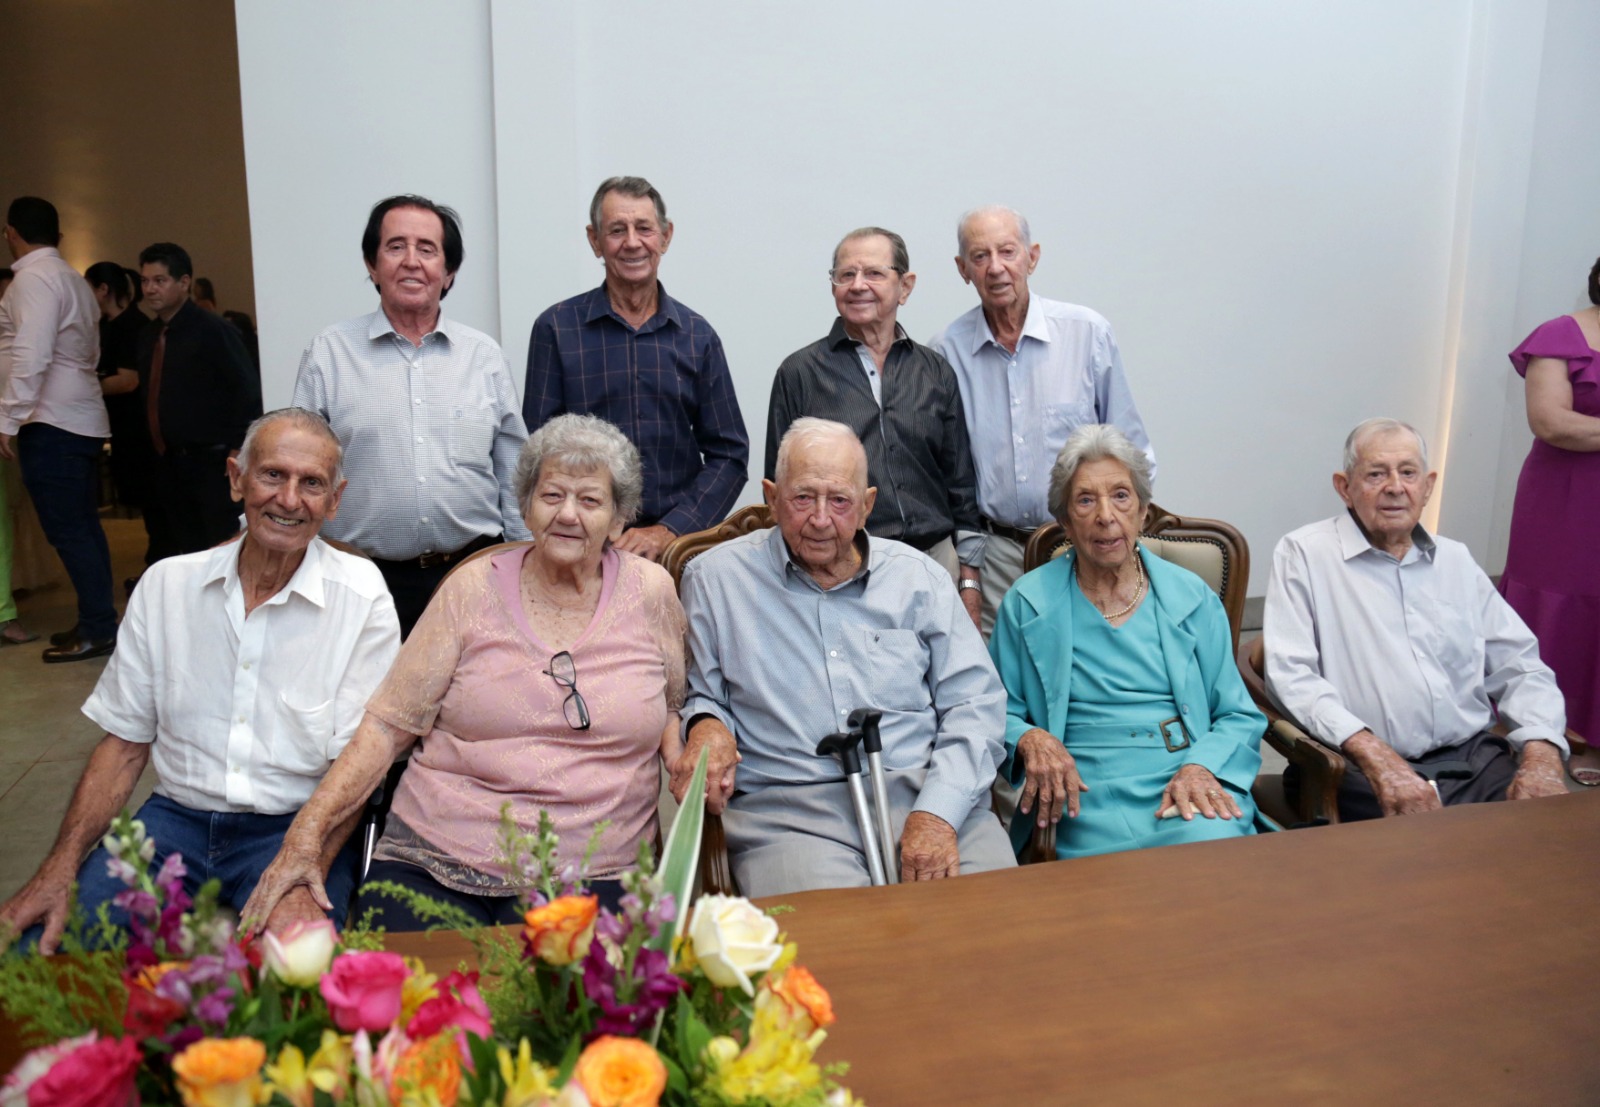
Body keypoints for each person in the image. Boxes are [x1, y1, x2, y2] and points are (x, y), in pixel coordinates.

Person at [241, 414, 686, 932]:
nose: (568, 514)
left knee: (576, 1007)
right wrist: (305, 838)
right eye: (551, 496)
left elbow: (674, 707)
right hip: (438, 855)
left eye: (589, 500)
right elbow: (386, 728)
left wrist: (692, 755)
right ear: (525, 507)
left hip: (594, 866)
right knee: (408, 998)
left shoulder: (650, 593)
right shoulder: (471, 589)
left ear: (618, 520)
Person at [0, 409, 400, 952]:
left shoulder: (362, 597)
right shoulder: (167, 587)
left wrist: (306, 858)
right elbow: (122, 746)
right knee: (46, 952)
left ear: (335, 500)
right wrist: (59, 867)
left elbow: (359, 764)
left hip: (293, 823)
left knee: (295, 972)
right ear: (236, 478)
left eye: (312, 484)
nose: (288, 500)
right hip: (172, 823)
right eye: (272, 475)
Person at [671, 417, 1014, 897]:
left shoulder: (921, 579)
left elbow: (975, 705)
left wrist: (938, 812)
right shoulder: (715, 579)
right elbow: (703, 695)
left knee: (1005, 930)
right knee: (836, 954)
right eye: (802, 497)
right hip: (792, 815)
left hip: (927, 795)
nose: (819, 519)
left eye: (839, 501)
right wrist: (707, 726)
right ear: (771, 496)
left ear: (867, 504)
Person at [1264, 418, 1570, 821]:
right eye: (1376, 474)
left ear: (1427, 486)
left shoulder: (1455, 560)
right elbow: (1291, 676)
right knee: (1422, 864)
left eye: (1408, 473)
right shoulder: (1304, 554)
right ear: (1345, 487)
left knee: (1549, 835)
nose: (1395, 487)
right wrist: (1377, 757)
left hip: (1474, 762)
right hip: (1357, 767)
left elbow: (1522, 667)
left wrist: (1541, 754)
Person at [989, 425, 1262, 859]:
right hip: (1079, 791)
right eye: (1085, 500)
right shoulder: (1027, 603)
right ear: (1063, 520)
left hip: (1181, 775)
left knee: (1215, 854)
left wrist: (1200, 766)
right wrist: (1031, 739)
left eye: (1120, 496)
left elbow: (1236, 713)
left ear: (1142, 512)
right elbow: (994, 709)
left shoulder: (1192, 598)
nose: (1105, 515)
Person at [293, 194, 530, 637]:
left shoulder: (483, 356)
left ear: (449, 272)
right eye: (395, 246)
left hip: (474, 574)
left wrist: (527, 561)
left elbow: (513, 466)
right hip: (359, 578)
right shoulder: (330, 351)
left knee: (470, 704)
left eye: (427, 249)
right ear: (371, 264)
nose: (411, 262)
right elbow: (297, 461)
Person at [932, 205, 1155, 636]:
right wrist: (969, 573)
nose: (996, 268)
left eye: (1008, 252)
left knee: (1089, 673)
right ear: (963, 269)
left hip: (1083, 545)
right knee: (1003, 687)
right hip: (994, 556)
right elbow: (947, 475)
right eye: (980, 257)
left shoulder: (1086, 333)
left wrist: (1119, 539)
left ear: (1032, 257)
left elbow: (1132, 451)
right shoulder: (945, 352)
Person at [523, 176, 748, 561]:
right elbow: (536, 453)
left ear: (665, 236)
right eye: (616, 230)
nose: (632, 242)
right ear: (595, 240)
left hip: (679, 553)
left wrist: (670, 531)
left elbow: (730, 456)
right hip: (581, 547)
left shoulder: (698, 336)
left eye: (644, 228)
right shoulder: (556, 329)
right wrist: (585, 523)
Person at [766, 227, 982, 626]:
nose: (858, 285)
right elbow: (780, 489)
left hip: (934, 561)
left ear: (905, 286)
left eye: (874, 274)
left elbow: (961, 484)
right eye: (845, 275)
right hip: (844, 565)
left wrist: (968, 582)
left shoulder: (935, 371)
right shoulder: (799, 373)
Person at [0, 197, 115, 662]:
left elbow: (31, 354)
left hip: (53, 422)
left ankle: (98, 628)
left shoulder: (33, 279)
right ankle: (97, 621)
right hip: (79, 417)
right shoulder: (70, 277)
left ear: (11, 233)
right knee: (83, 529)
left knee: (70, 531)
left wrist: (6, 419)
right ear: (59, 236)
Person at [1499, 258, 1600, 785]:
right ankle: (1545, 736)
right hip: (1567, 502)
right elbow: (1551, 422)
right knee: (1563, 607)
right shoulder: (1560, 335)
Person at [137, 242, 262, 561]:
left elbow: (245, 390)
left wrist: (238, 448)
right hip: (167, 462)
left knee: (221, 546)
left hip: (211, 463)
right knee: (186, 549)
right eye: (145, 281)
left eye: (160, 280)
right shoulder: (150, 334)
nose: (150, 289)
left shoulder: (213, 330)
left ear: (184, 282)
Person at [85, 261, 155, 566]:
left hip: (137, 427)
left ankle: (157, 563)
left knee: (153, 505)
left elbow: (129, 379)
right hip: (122, 425)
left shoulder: (131, 326)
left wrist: (86, 385)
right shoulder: (106, 325)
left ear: (103, 290)